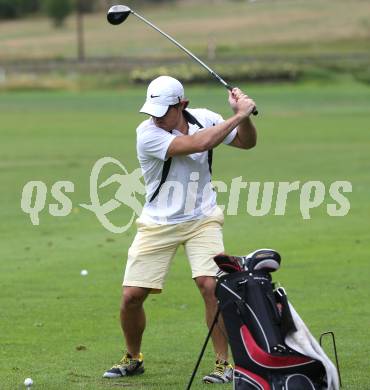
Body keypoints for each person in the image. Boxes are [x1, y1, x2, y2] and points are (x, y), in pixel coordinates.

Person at [103, 75, 257, 384]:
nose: (156, 119)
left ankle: (223, 364)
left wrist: (245, 117)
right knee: (131, 296)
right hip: (158, 223)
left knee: (211, 286)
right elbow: (199, 143)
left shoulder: (206, 119)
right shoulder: (147, 134)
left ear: (182, 105)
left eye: (162, 113)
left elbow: (246, 142)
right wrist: (238, 114)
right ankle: (134, 358)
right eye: (152, 112)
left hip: (203, 219)